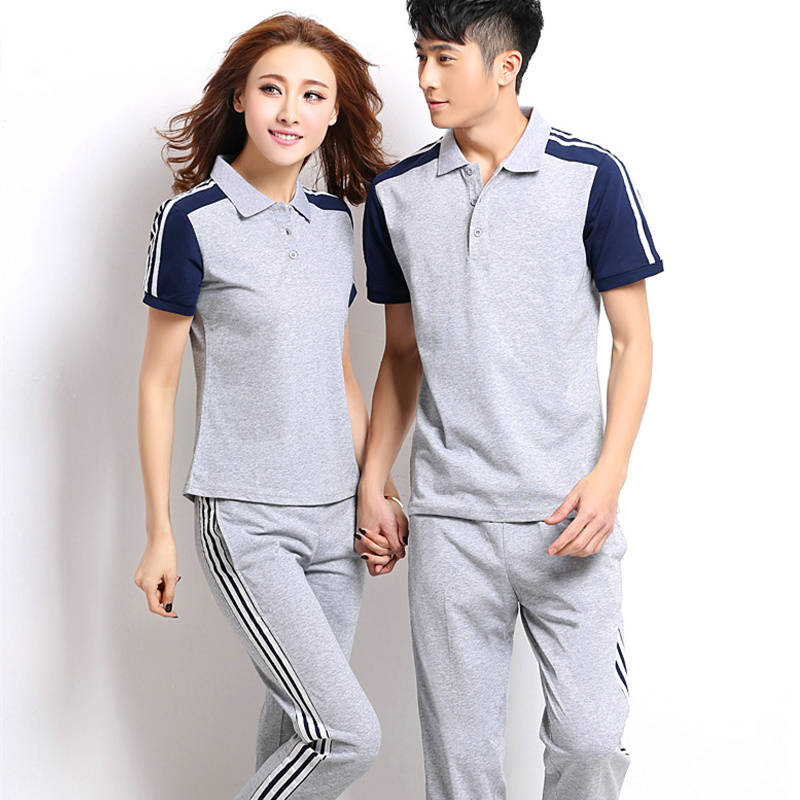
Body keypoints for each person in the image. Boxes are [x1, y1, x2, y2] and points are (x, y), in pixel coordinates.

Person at [354, 1, 663, 798]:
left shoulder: (591, 175)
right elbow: (401, 355)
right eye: (420, 55)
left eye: (443, 57)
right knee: (460, 764)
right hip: (451, 520)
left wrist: (609, 477)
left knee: (591, 738)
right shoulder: (396, 195)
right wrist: (373, 480)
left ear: (505, 65)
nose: (424, 78)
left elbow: (632, 343)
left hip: (569, 516)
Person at [133, 14, 405, 799]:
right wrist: (159, 532)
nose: (291, 110)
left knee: (301, 728)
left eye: (312, 94)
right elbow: (156, 383)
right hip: (247, 518)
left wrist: (375, 489)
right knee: (346, 736)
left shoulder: (334, 222)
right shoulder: (191, 220)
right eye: (272, 89)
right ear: (241, 100)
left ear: (334, 112)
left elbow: (338, 371)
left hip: (335, 520)